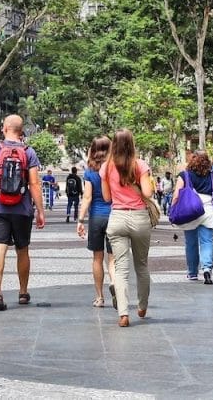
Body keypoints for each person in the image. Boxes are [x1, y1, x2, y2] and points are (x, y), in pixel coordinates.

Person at [0, 114, 44, 311]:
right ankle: (23, 292)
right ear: (21, 130)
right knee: (22, 249)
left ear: (5, 128)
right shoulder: (28, 151)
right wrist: (40, 211)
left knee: (0, 247)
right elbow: (34, 183)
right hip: (22, 209)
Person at [101, 129, 155, 328]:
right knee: (141, 264)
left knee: (121, 268)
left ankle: (123, 313)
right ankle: (142, 306)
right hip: (139, 218)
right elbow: (148, 192)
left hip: (117, 218)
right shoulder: (139, 165)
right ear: (132, 144)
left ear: (113, 144)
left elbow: (107, 198)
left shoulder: (106, 167)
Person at [76, 136, 115, 308]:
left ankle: (99, 297)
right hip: (115, 216)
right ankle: (114, 283)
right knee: (113, 259)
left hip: (96, 217)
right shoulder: (116, 168)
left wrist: (80, 220)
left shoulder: (90, 171)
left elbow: (87, 197)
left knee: (97, 258)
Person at [173, 150, 213, 285]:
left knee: (190, 243)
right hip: (208, 211)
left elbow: (176, 195)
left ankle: (192, 272)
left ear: (192, 160)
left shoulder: (184, 176)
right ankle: (207, 268)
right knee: (207, 241)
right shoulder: (212, 177)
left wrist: (173, 210)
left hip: (190, 211)